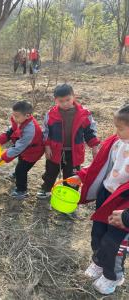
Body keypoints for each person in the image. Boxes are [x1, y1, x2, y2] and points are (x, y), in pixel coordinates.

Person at [67, 105, 129, 295]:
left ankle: (113, 276)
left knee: (115, 243)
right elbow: (100, 164)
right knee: (98, 232)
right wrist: (83, 175)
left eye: (120, 127)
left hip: (124, 203)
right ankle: (99, 262)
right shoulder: (116, 142)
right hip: (107, 194)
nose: (115, 131)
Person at [36, 84, 100, 199]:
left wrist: (94, 146)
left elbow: (90, 131)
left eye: (68, 100)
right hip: (55, 151)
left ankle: (70, 196)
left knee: (72, 175)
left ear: (73, 97)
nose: (65, 103)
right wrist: (47, 146)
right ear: (55, 100)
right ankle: (46, 189)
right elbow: (46, 131)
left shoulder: (84, 114)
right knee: (50, 171)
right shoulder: (51, 114)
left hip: (75, 152)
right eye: (61, 101)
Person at [0, 101, 44, 198]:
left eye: (16, 116)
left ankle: (22, 190)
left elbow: (18, 148)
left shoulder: (30, 130)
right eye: (13, 115)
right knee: (20, 161)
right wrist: (0, 140)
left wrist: (2, 157)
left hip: (33, 152)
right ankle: (17, 175)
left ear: (28, 116)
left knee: (21, 169)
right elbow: (11, 130)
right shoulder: (19, 120)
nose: (14, 118)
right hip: (24, 149)